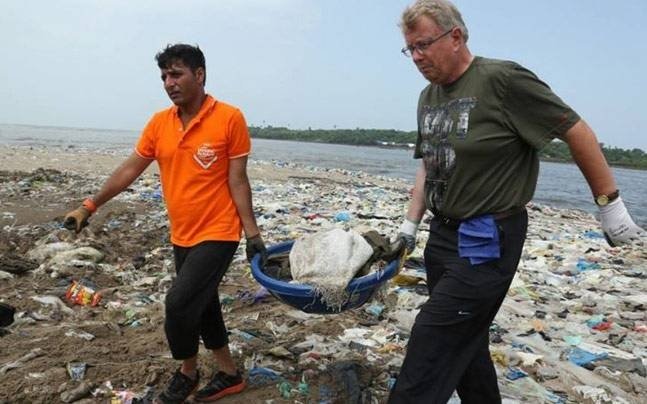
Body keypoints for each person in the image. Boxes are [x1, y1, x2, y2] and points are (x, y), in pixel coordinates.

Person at [389, 1, 644, 403]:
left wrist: (609, 205)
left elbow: (576, 131)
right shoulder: (428, 96)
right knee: (466, 343)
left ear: (455, 37)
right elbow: (430, 163)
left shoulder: (502, 81)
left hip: (488, 237)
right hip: (442, 237)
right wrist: (409, 226)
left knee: (430, 343)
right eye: (410, 49)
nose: (417, 57)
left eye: (423, 45)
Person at [63, 43, 267, 403]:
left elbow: (238, 180)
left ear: (199, 74)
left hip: (219, 231)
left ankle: (187, 372)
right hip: (182, 233)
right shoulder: (160, 123)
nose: (169, 83)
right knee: (204, 304)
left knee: (178, 304)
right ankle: (229, 373)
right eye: (164, 77)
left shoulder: (229, 118)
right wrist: (89, 205)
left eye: (176, 74)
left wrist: (252, 234)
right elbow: (130, 169)